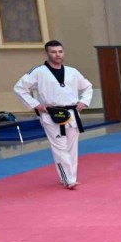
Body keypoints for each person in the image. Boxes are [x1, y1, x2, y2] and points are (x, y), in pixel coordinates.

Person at [14, 40, 92, 189]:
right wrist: (36, 105)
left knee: (72, 148)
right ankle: (68, 179)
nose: (57, 55)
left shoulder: (72, 71)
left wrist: (83, 101)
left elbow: (88, 87)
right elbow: (19, 88)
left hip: (72, 114)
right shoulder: (38, 72)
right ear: (47, 53)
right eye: (54, 52)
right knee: (60, 148)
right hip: (51, 115)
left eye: (60, 51)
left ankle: (71, 177)